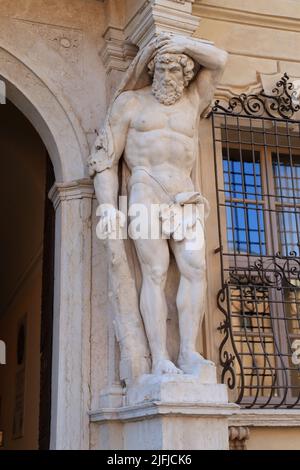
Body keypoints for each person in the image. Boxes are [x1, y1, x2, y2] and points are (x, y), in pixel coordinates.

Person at [88, 33, 228, 376]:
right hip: (146, 192)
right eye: (162, 68)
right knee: (154, 272)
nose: (169, 76)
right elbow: (105, 161)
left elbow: (219, 59)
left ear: (186, 73)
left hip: (186, 195)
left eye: (176, 70)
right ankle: (159, 355)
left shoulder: (194, 101)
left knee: (195, 269)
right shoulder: (130, 104)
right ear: (151, 70)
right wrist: (107, 206)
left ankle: (189, 353)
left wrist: (178, 44)